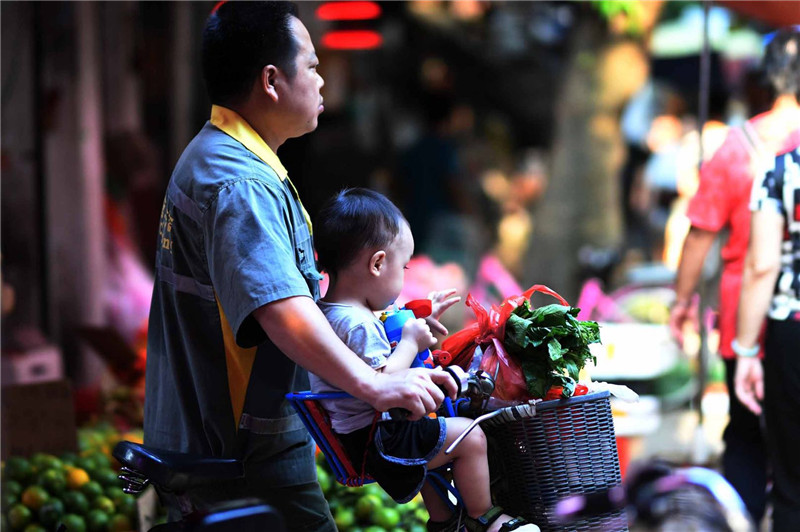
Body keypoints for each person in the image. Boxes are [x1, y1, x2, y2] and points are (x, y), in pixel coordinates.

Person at [142, 3, 457, 530]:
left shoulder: (227, 158)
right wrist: (373, 386)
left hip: (224, 438)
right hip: (240, 451)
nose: (321, 80)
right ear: (271, 80)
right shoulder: (240, 183)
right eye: (311, 66)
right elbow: (283, 311)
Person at [311, 188, 539, 532]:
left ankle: (444, 520)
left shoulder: (333, 313)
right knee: (470, 436)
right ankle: (486, 518)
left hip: (366, 434)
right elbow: (385, 383)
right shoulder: (357, 324)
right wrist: (410, 340)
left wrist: (417, 317)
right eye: (403, 267)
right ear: (377, 264)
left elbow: (383, 336)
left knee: (439, 435)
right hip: (379, 438)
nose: (404, 276)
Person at [668, 26, 800, 524]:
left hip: (747, 315)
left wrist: (681, 300)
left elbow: (699, 233)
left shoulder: (737, 145)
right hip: (791, 315)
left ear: (768, 77)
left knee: (746, 440)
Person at [734, 144, 800, 532]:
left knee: (792, 484)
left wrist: (745, 350)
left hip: (792, 328)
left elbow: (762, 265)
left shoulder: (780, 171)